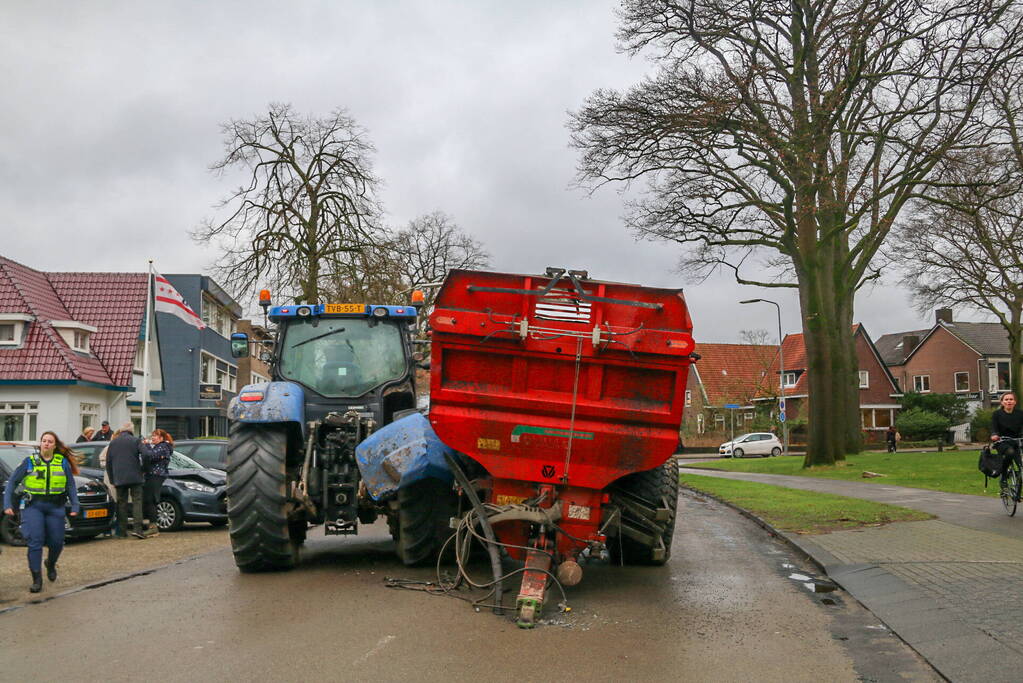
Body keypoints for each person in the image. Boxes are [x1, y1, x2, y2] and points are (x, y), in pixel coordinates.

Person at [2, 432, 80, 593]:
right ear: (40, 444)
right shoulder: (29, 462)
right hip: (33, 507)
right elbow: (12, 483)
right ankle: (37, 579)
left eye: (49, 441)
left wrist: (75, 505)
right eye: (43, 441)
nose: (46, 444)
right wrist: (7, 504)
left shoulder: (62, 462)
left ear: (54, 445)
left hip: (55, 507)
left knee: (57, 542)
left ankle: (50, 563)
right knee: (35, 541)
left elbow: (71, 486)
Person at [105, 422, 146, 539]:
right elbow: (146, 454)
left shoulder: (113, 442)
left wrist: (112, 479)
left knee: (121, 503)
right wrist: (144, 469)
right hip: (135, 476)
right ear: (131, 430)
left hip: (119, 478)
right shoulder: (136, 441)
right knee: (137, 502)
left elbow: (108, 462)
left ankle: (122, 531)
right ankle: (138, 529)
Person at [138, 429, 173, 537]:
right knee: (147, 499)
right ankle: (148, 525)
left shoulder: (163, 447)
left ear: (161, 438)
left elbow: (150, 456)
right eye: (152, 435)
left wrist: (147, 446)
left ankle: (153, 528)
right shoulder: (158, 447)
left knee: (151, 500)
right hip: (151, 475)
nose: (152, 438)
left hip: (156, 475)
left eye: (155, 436)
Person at [991, 392, 1023, 478]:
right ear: (1002, 402)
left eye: (1011, 399)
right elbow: (994, 428)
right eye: (1006, 399)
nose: (1009, 401)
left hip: (1017, 441)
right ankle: (1003, 475)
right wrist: (994, 435)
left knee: (1020, 462)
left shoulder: (1020, 414)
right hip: (1002, 441)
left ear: (1015, 402)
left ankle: (1018, 480)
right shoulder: (997, 414)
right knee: (1010, 452)